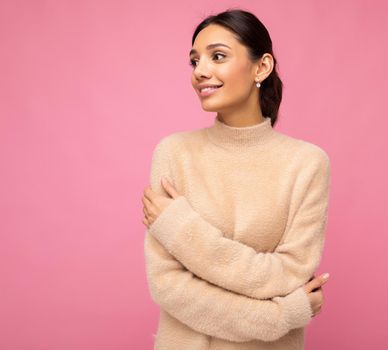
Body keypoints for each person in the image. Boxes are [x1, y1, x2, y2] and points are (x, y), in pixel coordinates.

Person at [141, 8, 331, 350]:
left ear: (262, 67)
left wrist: (180, 230)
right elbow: (167, 285)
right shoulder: (173, 153)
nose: (201, 71)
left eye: (217, 56)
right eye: (194, 61)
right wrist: (283, 315)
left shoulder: (306, 163)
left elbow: (288, 273)